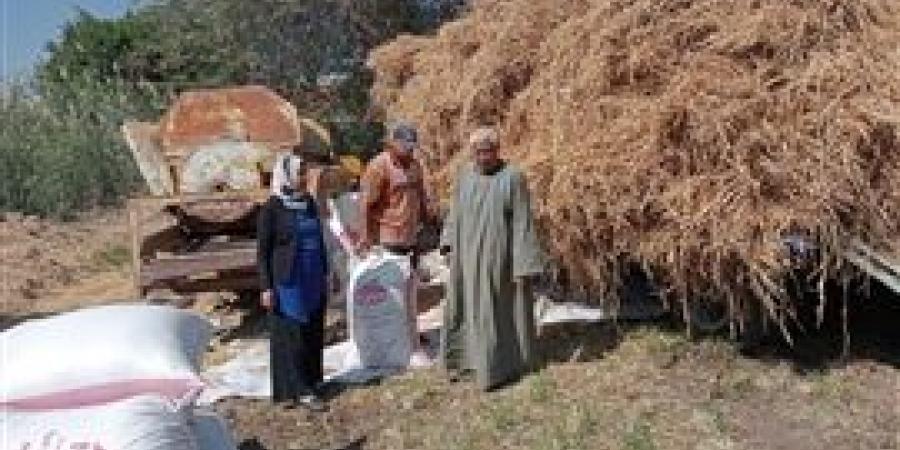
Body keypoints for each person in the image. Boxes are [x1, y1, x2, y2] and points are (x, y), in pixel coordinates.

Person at [439, 127, 545, 391]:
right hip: (466, 257)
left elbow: (523, 222)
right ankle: (466, 360)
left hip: (500, 258)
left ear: (497, 151)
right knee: (465, 307)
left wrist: (524, 263)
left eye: (488, 151)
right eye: (477, 152)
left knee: (496, 311)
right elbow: (455, 213)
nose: (483, 157)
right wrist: (448, 242)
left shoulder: (513, 178)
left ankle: (500, 366)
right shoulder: (464, 176)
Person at [257, 153, 329, 412]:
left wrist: (327, 270)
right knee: (294, 331)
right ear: (286, 175)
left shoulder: (307, 201)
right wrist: (266, 287)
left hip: (312, 274)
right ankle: (300, 390)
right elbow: (263, 252)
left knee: (313, 328)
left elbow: (318, 236)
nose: (303, 178)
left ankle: (313, 380)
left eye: (304, 173)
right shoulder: (272, 209)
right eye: (299, 173)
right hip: (289, 279)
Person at [358, 122, 433, 365]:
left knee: (411, 290)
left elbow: (419, 195)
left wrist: (424, 220)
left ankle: (412, 336)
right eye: (404, 147)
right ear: (392, 145)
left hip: (410, 236)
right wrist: (366, 236)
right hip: (388, 237)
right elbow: (366, 204)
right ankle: (396, 339)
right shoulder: (379, 167)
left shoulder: (414, 165)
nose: (409, 152)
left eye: (412, 147)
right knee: (392, 293)